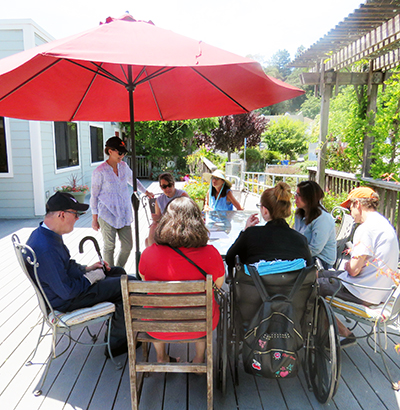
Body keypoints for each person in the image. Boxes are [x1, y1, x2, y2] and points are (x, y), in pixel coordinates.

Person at [26, 191, 134, 357]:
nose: (77, 218)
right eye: (75, 214)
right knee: (128, 283)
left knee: (117, 272)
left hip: (66, 290)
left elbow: (66, 266)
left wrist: (87, 269)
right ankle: (117, 344)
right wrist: (90, 278)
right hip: (66, 301)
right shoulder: (46, 249)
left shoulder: (45, 234)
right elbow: (67, 292)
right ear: (62, 215)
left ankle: (118, 328)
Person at [139, 196, 225, 363]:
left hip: (157, 326)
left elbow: (144, 281)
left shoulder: (149, 254)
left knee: (155, 303)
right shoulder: (211, 254)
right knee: (207, 305)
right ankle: (199, 358)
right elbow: (218, 285)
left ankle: (161, 356)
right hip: (200, 326)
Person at [318, 187, 399, 346]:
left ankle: (343, 333)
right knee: (320, 274)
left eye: (350, 208)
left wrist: (348, 264)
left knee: (311, 286)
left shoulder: (366, 228)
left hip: (362, 292)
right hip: (379, 290)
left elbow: (354, 270)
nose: (350, 213)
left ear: (357, 204)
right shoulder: (384, 224)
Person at [226, 182, 313, 326]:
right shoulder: (300, 239)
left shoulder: (251, 235)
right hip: (292, 307)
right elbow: (309, 268)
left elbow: (230, 259)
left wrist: (245, 231)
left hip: (253, 305)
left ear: (265, 211)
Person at [90, 136, 153, 268]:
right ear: (110, 151)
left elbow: (133, 181)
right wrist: (94, 218)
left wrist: (145, 192)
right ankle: (110, 275)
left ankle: (117, 269)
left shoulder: (124, 166)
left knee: (127, 245)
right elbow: (94, 196)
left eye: (124, 153)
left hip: (124, 212)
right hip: (106, 212)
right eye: (120, 152)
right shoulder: (99, 171)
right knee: (109, 246)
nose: (122, 155)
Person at [294, 180, 336, 269]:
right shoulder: (299, 214)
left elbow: (315, 249)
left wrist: (293, 254)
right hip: (304, 255)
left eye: (298, 195)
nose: (295, 197)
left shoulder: (323, 218)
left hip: (321, 261)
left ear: (309, 198)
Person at [145, 172, 189, 247]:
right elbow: (158, 218)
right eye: (164, 186)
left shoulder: (182, 195)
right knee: (148, 237)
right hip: (166, 226)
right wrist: (156, 218)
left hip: (180, 225)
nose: (167, 188)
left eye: (169, 185)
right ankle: (153, 255)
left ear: (173, 184)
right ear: (161, 187)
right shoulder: (159, 200)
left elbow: (188, 214)